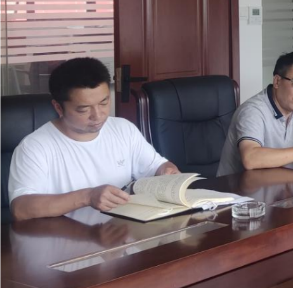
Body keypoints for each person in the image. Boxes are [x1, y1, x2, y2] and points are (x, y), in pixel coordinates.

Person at [8, 57, 179, 221]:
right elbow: (20, 209)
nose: (98, 115)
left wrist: (166, 171)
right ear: (59, 107)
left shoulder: (123, 129)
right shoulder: (35, 147)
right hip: (71, 238)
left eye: (104, 103)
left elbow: (156, 167)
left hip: (125, 233)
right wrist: (87, 196)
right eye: (83, 109)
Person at [217, 52, 293, 176]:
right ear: (277, 81)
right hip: (237, 187)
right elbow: (250, 159)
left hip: (279, 180)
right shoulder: (252, 111)